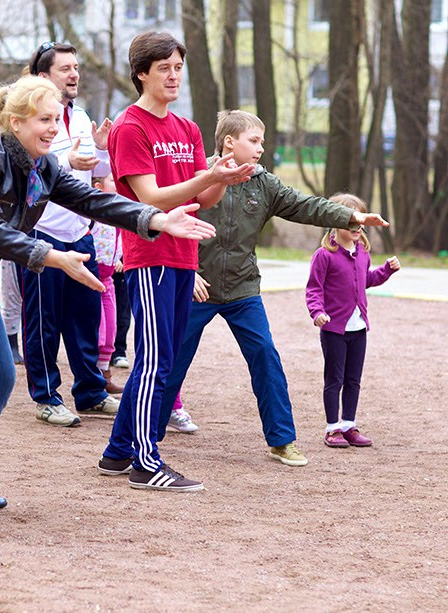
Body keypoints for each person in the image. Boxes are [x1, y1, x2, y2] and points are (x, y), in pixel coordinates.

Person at [0, 75, 216, 531]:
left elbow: (92, 200)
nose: (53, 128)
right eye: (45, 120)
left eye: (56, 120)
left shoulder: (41, 166)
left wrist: (156, 218)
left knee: (1, 375)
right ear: (16, 122)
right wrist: (50, 257)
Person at [158, 110, 390, 465]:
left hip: (242, 290)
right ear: (229, 142)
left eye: (262, 142)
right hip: (196, 287)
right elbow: (167, 221)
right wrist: (188, 274)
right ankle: (147, 435)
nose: (261, 149)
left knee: (266, 355)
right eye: (254, 141)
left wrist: (351, 217)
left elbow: (306, 206)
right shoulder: (196, 175)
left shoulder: (264, 183)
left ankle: (282, 440)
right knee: (170, 360)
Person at [97, 32, 255, 492]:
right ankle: (145, 463)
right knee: (156, 360)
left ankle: (117, 453)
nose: (173, 75)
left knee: (162, 357)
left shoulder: (187, 129)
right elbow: (151, 197)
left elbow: (202, 197)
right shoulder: (131, 127)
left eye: (178, 67)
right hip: (149, 255)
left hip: (185, 255)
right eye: (163, 67)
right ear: (142, 73)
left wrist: (223, 176)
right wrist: (208, 173)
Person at [20, 42, 118, 427]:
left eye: (76, 67)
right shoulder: (28, 118)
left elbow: (97, 175)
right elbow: (22, 165)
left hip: (80, 231)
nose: (74, 74)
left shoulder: (81, 118)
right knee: (43, 321)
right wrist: (65, 160)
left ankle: (91, 394)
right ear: (44, 77)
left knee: (85, 317)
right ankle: (46, 396)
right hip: (42, 233)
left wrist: (101, 151)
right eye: (66, 69)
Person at [305, 193, 399, 448]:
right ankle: (332, 428)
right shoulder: (324, 255)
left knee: (353, 380)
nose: (358, 228)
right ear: (335, 223)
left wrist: (386, 271)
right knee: (334, 380)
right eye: (351, 222)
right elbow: (314, 289)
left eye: (360, 222)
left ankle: (348, 425)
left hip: (359, 328)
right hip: (334, 329)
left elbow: (366, 280)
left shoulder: (362, 253)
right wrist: (317, 312)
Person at [90, 169, 125, 395]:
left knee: (111, 331)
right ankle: (93, 377)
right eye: (113, 179)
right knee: (98, 332)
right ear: (98, 186)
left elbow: (122, 238)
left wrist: (121, 259)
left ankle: (105, 373)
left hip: (109, 281)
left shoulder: (119, 210)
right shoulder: (92, 212)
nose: (118, 183)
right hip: (91, 280)